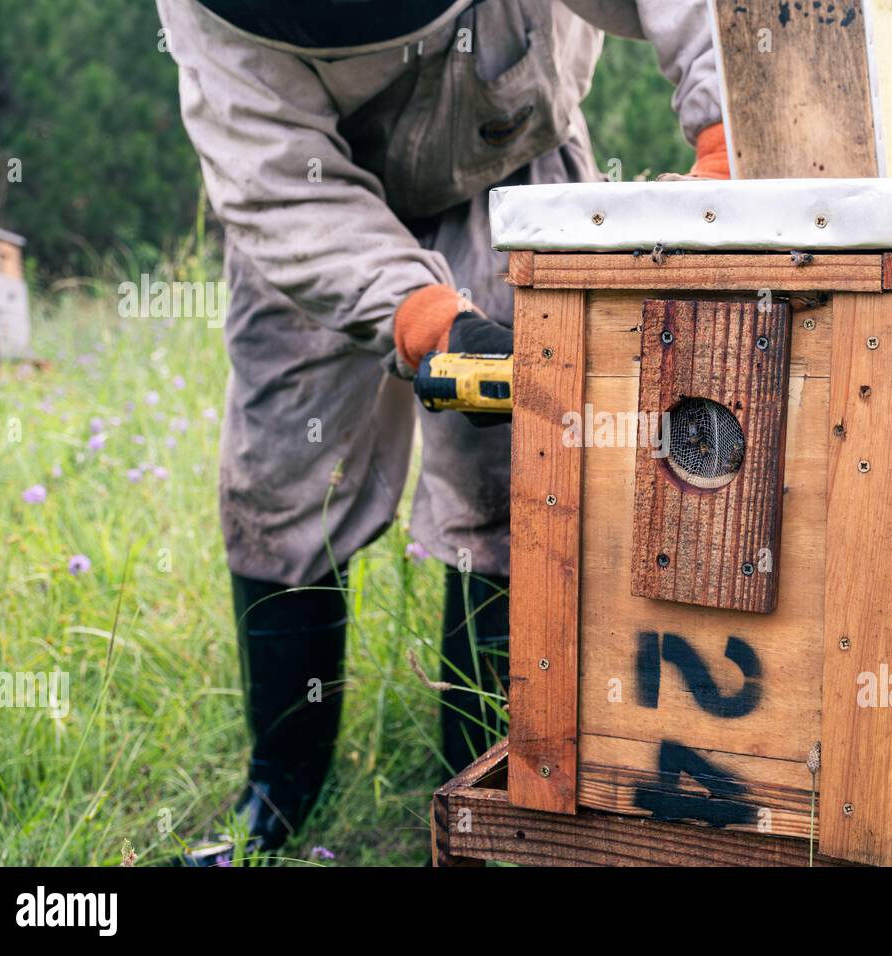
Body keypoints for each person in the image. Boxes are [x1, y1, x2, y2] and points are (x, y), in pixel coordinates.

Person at [155, 0, 729, 864]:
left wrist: (728, 127)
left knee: (515, 478)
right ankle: (280, 786)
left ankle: (484, 780)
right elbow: (271, 178)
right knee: (278, 482)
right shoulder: (216, 20)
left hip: (512, 171)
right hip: (313, 205)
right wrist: (426, 318)